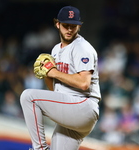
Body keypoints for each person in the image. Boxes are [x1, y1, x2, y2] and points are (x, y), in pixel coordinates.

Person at [20, 6, 101, 150]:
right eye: (66, 25)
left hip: (83, 106)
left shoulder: (82, 47)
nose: (69, 29)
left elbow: (84, 83)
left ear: (79, 26)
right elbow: (56, 91)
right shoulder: (56, 50)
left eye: (73, 26)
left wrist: (53, 72)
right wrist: (46, 75)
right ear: (57, 24)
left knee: (28, 97)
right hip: (71, 111)